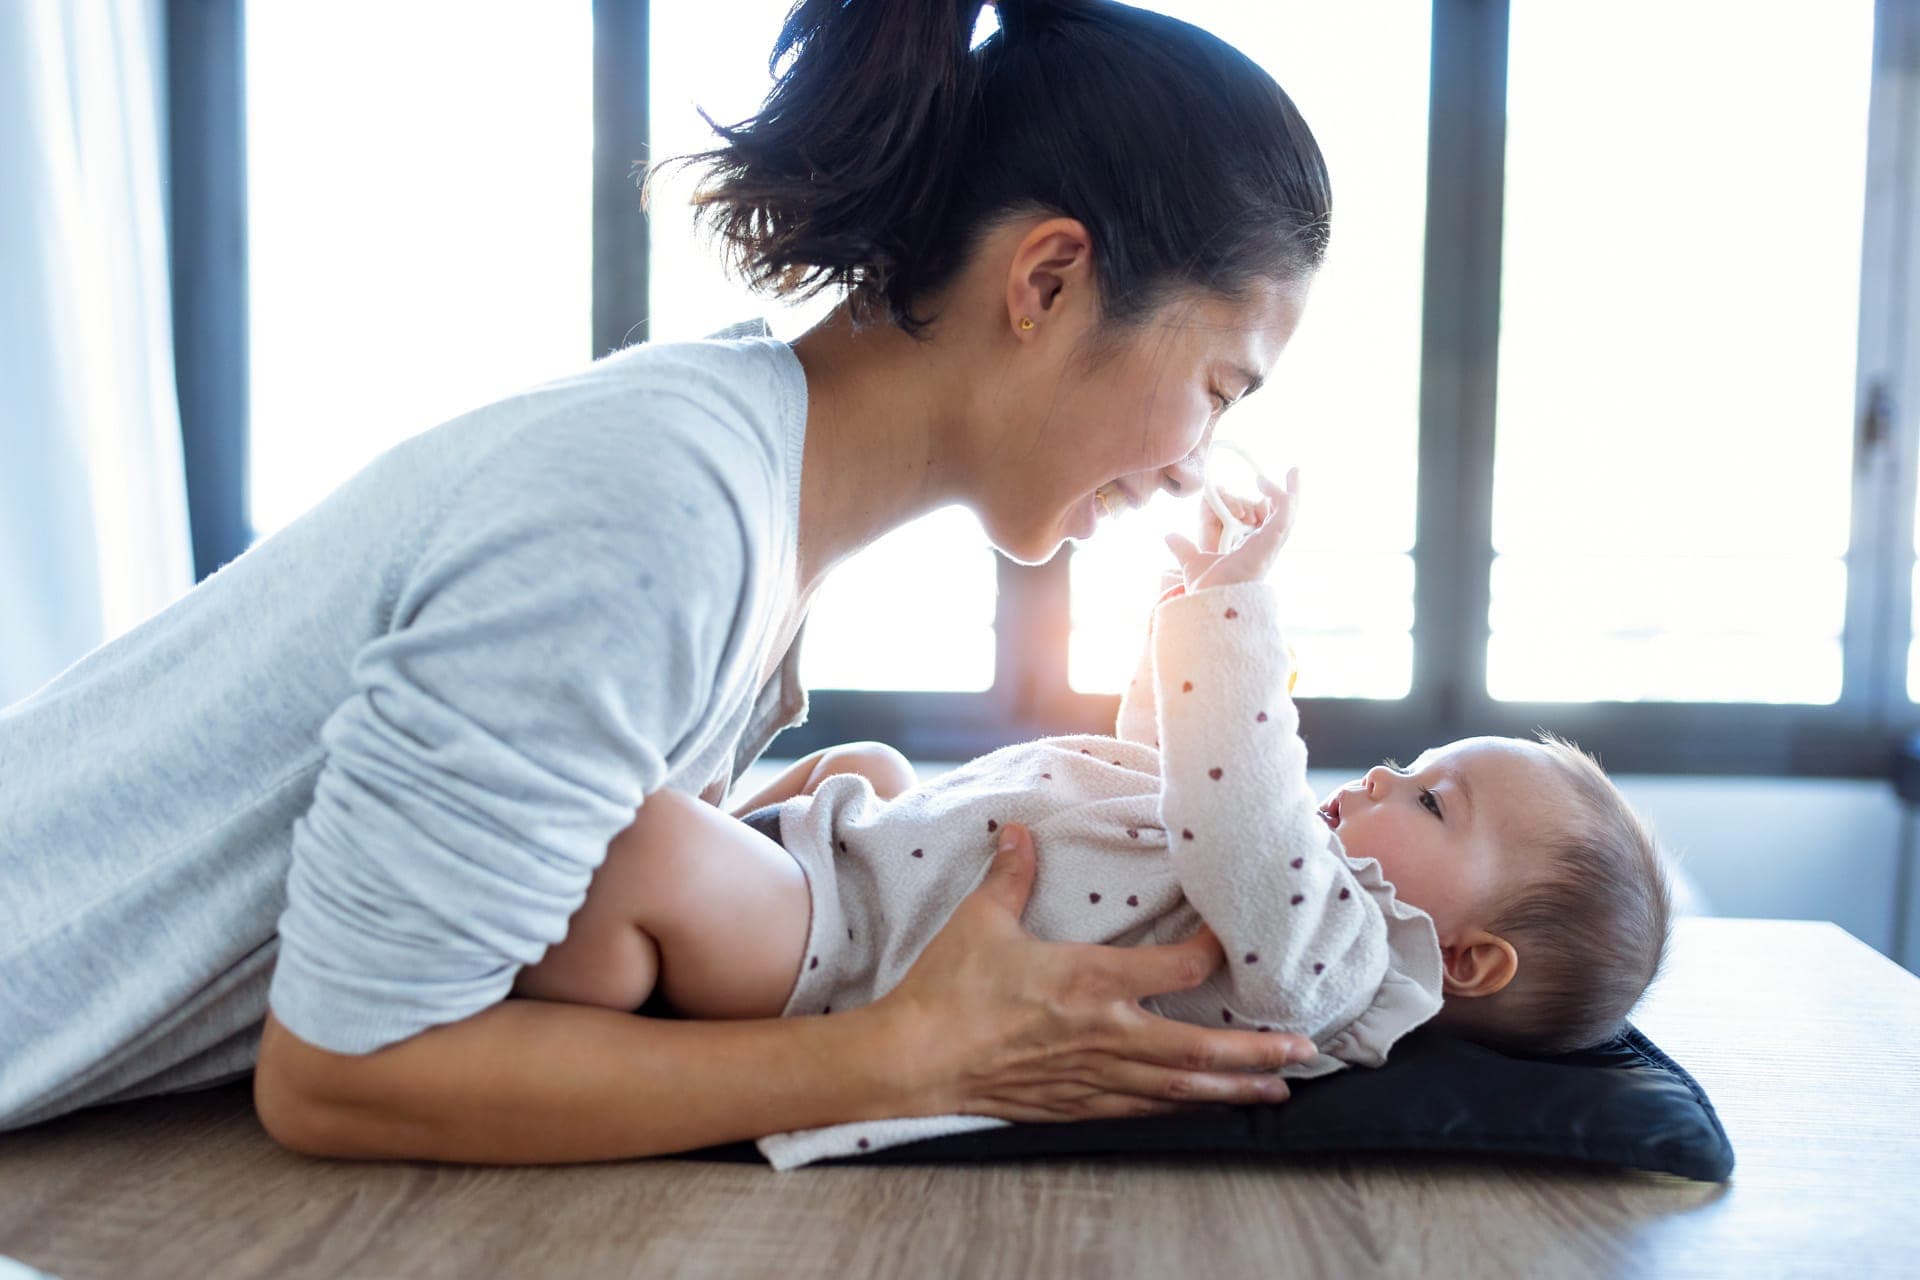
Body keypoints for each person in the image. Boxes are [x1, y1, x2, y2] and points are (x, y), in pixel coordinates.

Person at [0, 0, 1337, 1158]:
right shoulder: (661, 510)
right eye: (1218, 387)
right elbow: (346, 1070)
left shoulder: (741, 494)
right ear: (1047, 277)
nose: (1194, 465)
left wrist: (777, 835)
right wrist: (923, 1053)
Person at [510, 470, 1676, 1168]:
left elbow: (1239, 812)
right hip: (875, 869)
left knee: (644, 840)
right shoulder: (1298, 890)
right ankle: (668, 894)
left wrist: (1234, 619)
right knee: (860, 759)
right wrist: (1176, 618)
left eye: (1430, 798)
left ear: (1469, 956)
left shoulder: (1335, 966)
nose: (1377, 779)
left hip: (847, 950)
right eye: (1407, 763)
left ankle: (572, 964)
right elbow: (1167, 773)